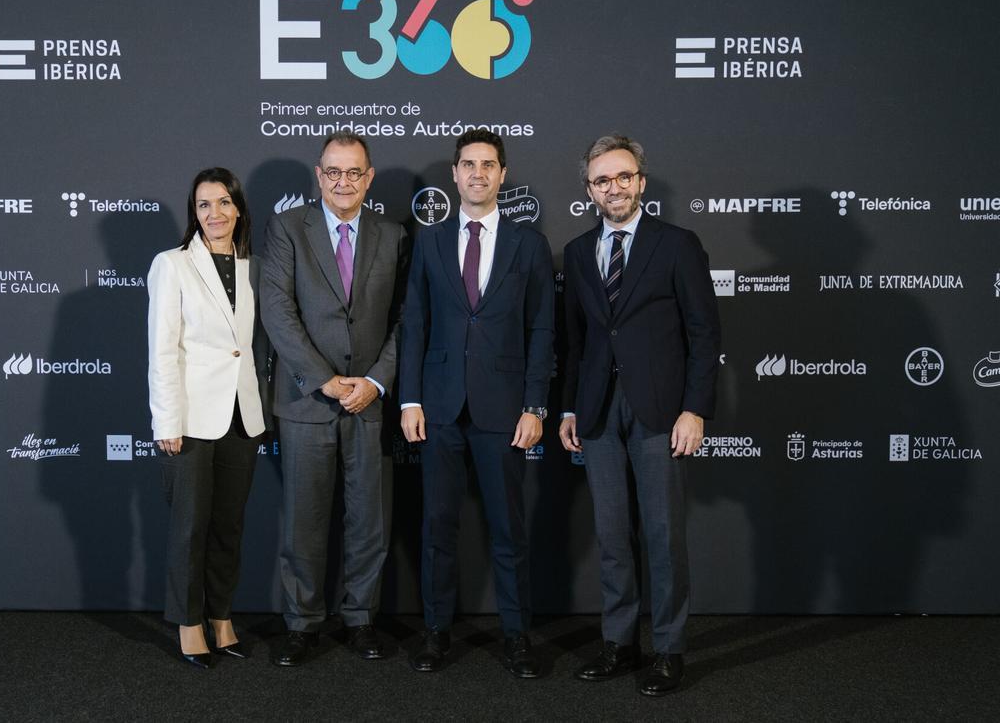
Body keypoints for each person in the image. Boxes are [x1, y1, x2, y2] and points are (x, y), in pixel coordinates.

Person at [558, 135, 720, 696]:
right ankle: (620, 644)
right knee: (610, 536)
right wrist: (570, 409)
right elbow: (574, 344)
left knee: (662, 535)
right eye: (602, 180)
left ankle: (670, 649)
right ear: (589, 191)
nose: (614, 188)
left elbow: (704, 335)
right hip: (598, 411)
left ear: (641, 182)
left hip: (661, 411)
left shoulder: (677, 245)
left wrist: (695, 409)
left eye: (623, 177)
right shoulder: (578, 253)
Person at [399, 128, 555, 678]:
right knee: (437, 527)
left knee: (509, 529)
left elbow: (541, 329)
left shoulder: (528, 244)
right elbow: (414, 321)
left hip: (505, 409)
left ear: (502, 174)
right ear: (455, 173)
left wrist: (536, 407)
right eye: (468, 164)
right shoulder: (429, 240)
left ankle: (516, 637)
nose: (478, 173)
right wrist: (409, 398)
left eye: (489, 164)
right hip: (439, 405)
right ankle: (436, 633)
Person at [259, 130, 408, 667]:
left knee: (369, 521)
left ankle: (361, 619)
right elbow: (276, 310)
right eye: (333, 172)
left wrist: (375, 381)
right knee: (304, 520)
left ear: (368, 177)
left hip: (369, 401)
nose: (343, 182)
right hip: (307, 401)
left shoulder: (392, 235)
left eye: (354, 172)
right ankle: (301, 624)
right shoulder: (286, 229)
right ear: (318, 175)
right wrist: (323, 379)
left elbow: (404, 320)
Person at [147, 167, 267, 668]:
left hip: (243, 416)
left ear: (238, 208)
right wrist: (167, 422)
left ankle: (221, 617)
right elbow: (162, 350)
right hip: (192, 419)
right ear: (192, 212)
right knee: (189, 527)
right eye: (203, 205)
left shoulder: (253, 266)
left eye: (223, 203)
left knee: (228, 527)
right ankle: (189, 622)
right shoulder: (172, 265)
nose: (214, 214)